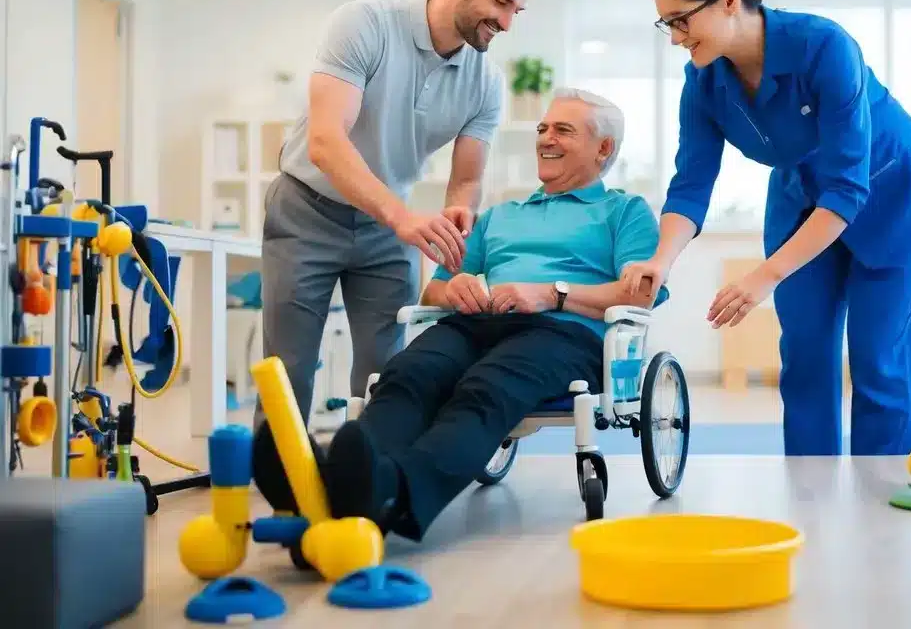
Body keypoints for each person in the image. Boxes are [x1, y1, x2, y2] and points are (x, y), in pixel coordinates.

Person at [251, 89, 668, 539]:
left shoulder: (625, 212)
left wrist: (553, 294)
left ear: (603, 149)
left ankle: (394, 492)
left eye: (563, 130)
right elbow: (434, 289)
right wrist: (458, 289)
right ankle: (325, 482)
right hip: (477, 321)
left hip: (562, 333)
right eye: (542, 128)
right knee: (408, 374)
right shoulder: (498, 216)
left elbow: (640, 296)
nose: (546, 138)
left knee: (485, 388)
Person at [623, 0, 911, 457]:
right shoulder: (705, 82)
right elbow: (691, 182)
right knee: (804, 356)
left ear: (729, 1)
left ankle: (880, 507)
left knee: (878, 359)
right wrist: (661, 260)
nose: (674, 38)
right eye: (666, 24)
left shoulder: (823, 45)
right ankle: (812, 499)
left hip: (891, 191)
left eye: (680, 20)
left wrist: (764, 275)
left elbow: (849, 187)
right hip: (801, 194)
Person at [262, 0, 540, 425]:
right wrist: (401, 216)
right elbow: (326, 141)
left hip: (385, 234)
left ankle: (372, 474)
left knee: (384, 371)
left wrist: (460, 209)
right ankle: (277, 485)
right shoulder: (364, 24)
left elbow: (466, 180)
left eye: (515, 11)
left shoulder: (486, 83)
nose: (505, 22)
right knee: (290, 366)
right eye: (500, 2)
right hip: (306, 211)